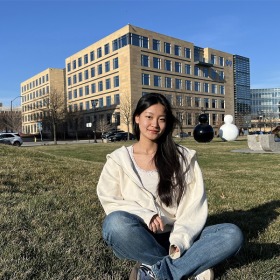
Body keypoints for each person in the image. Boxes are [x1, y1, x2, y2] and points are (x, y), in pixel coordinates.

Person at [97, 93, 243, 280]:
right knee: (115, 224)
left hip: (180, 235)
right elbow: (110, 200)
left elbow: (193, 206)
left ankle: (154, 269)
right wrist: (146, 216)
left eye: (162, 119)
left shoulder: (183, 158)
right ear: (137, 118)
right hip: (141, 236)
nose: (154, 124)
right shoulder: (118, 160)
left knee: (231, 234)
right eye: (149, 117)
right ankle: (190, 266)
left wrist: (179, 241)